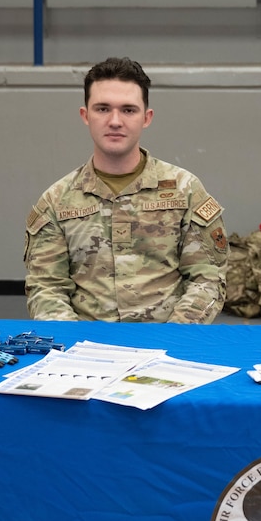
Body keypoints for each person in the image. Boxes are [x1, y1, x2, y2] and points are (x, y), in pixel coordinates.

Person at [24, 57, 229, 323]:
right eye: (103, 109)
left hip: (168, 343)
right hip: (85, 348)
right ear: (85, 115)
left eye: (129, 110)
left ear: (147, 117)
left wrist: (173, 339)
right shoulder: (56, 201)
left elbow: (207, 277)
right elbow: (46, 288)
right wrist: (78, 349)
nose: (115, 121)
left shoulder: (184, 190)